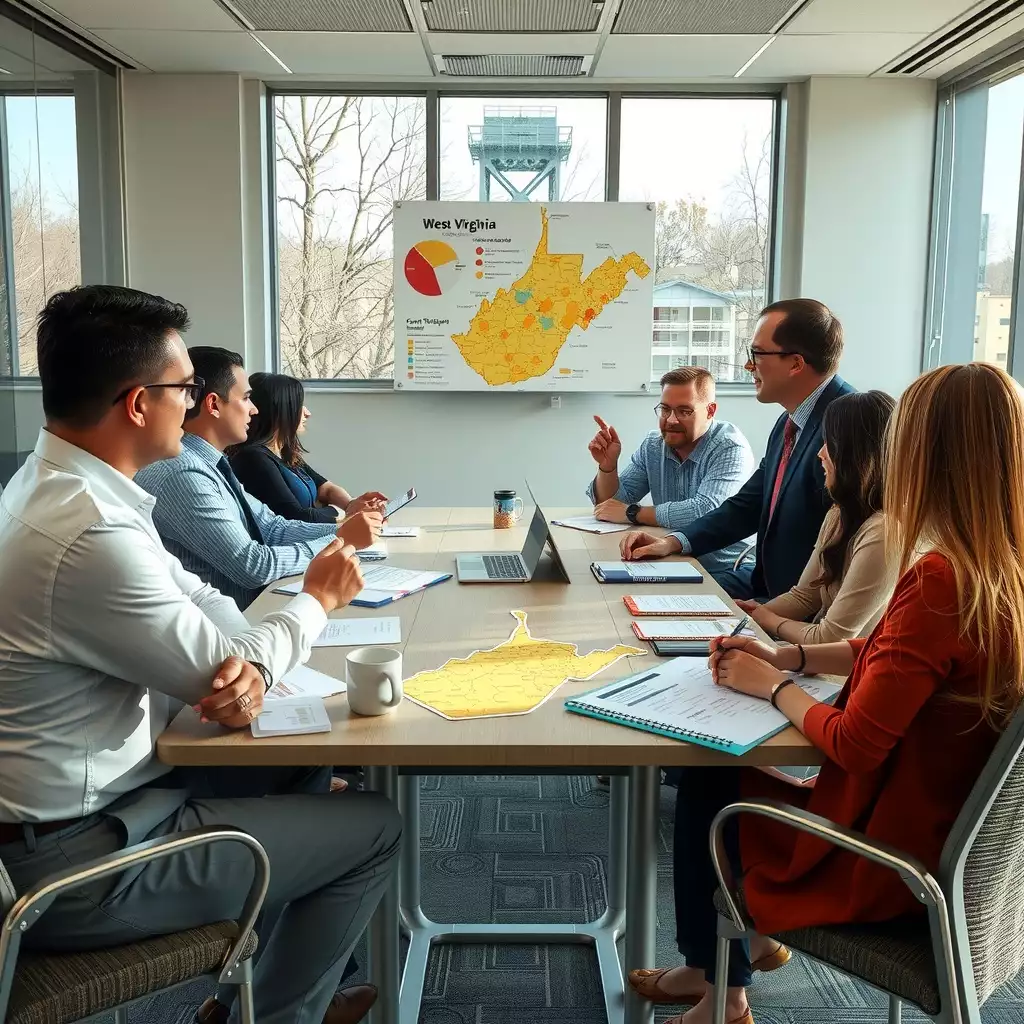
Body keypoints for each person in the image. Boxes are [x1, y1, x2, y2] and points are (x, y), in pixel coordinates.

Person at [0, 285, 401, 1024]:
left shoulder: (66, 487)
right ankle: (278, 1014)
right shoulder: (88, 532)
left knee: (302, 754)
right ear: (136, 403)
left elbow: (206, 607)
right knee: (377, 826)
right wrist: (316, 602)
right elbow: (224, 666)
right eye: (185, 389)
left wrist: (247, 662)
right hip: (77, 867)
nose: (197, 403)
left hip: (110, 797)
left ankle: (241, 1002)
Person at [627, 362, 1024, 1024]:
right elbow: (894, 655)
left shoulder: (938, 580)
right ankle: (724, 976)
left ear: (923, 454)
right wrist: (793, 653)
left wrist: (775, 683)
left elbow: (857, 743)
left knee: (708, 781)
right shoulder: (994, 570)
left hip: (889, 864)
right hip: (967, 860)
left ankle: (722, 993)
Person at [618, 299, 855, 600]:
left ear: (796, 363)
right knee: (645, 594)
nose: (748, 366)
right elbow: (747, 505)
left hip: (801, 604)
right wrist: (674, 542)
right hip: (765, 583)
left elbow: (849, 545)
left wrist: (778, 620)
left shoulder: (848, 422)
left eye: (756, 354)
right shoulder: (789, 421)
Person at [136, 347, 382, 610]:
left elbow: (273, 527)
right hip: (236, 627)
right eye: (246, 398)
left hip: (256, 609)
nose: (254, 410)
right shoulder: (183, 473)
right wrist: (343, 539)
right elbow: (253, 565)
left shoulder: (213, 463)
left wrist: (345, 532)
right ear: (213, 405)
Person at [736, 390, 895, 645]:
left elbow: (831, 638)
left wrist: (767, 618)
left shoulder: (884, 532)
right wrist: (749, 615)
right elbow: (804, 597)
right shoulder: (839, 513)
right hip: (814, 660)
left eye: (829, 443)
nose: (820, 453)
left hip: (846, 675)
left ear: (857, 455)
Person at [586, 366, 756, 579]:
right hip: (673, 556)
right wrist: (608, 467)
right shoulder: (654, 445)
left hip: (725, 568)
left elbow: (705, 511)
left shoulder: (730, 447)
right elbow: (610, 506)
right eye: (665, 409)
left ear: (710, 411)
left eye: (684, 411)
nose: (671, 420)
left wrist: (633, 513)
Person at [230, 372, 387, 524]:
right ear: (280, 411)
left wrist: (352, 504)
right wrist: (342, 512)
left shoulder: (284, 453)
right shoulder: (253, 459)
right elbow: (297, 517)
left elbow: (326, 489)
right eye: (299, 405)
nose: (307, 413)